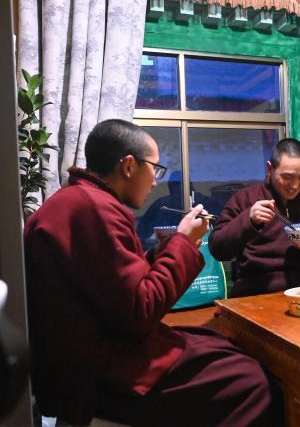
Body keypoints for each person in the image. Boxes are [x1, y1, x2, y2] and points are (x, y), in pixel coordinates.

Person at [24, 120, 270, 427]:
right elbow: (142, 309)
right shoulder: (93, 209)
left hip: (87, 355)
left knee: (222, 344)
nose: (155, 181)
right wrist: (183, 242)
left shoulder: (74, 199)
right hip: (95, 374)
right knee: (249, 380)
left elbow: (117, 283)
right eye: (155, 168)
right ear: (129, 166)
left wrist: (172, 246)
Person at [209, 138, 300, 297]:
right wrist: (248, 220)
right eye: (287, 177)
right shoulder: (245, 199)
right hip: (254, 293)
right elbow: (217, 249)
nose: (295, 186)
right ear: (270, 169)